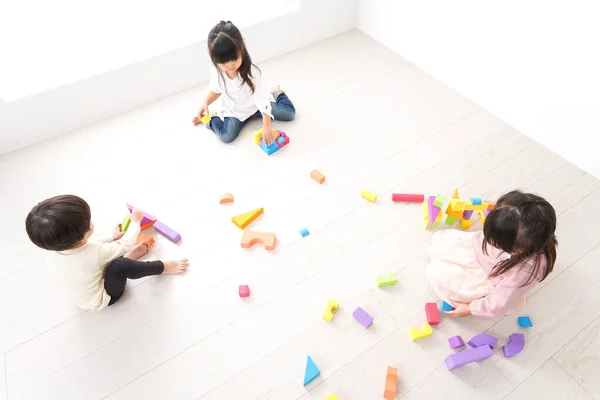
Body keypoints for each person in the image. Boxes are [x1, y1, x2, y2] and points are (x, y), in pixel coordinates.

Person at [25, 195, 188, 310]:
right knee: (120, 265)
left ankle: (126, 259)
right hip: (105, 298)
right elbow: (124, 244)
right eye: (88, 220)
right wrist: (136, 222)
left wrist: (112, 237)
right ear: (84, 234)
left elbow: (89, 247)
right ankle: (163, 267)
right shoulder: (94, 253)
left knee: (110, 259)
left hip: (84, 291)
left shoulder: (57, 251)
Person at [425, 190, 557, 317]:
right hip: (479, 251)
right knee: (442, 241)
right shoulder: (518, 217)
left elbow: (498, 304)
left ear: (517, 250)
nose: (490, 239)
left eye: (496, 241)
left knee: (439, 277)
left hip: (491, 275)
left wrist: (469, 309)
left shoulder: (522, 273)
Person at [195, 21, 296, 144]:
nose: (230, 66)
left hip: (257, 107)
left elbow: (261, 99)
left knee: (290, 114)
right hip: (235, 113)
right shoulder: (217, 73)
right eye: (223, 63)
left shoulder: (252, 73)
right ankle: (212, 119)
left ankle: (277, 93)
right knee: (226, 137)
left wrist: (267, 123)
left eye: (234, 59)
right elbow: (215, 90)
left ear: (241, 48)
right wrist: (205, 102)